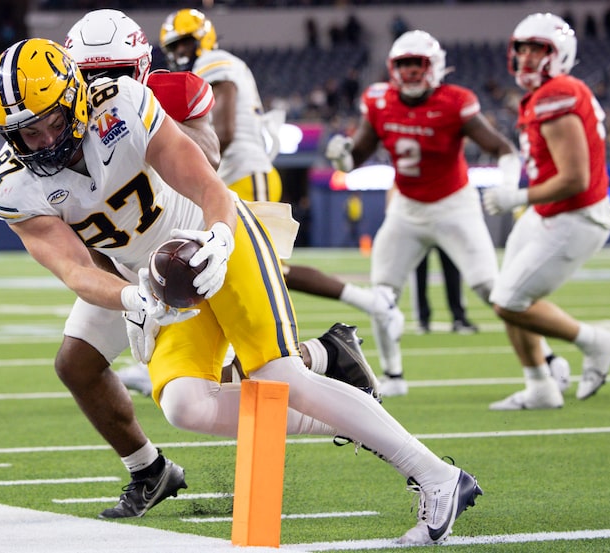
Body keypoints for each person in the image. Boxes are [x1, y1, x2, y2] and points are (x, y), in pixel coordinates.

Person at [0, 37, 482, 545]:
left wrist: (221, 238)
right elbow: (73, 270)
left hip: (213, 237)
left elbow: (206, 184)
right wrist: (131, 298)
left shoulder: (123, 105)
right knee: (184, 404)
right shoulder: (9, 184)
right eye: (27, 133)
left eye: (52, 121)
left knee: (279, 373)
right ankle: (353, 411)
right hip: (158, 280)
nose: (45, 141)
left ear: (76, 98)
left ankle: (438, 477)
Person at [64, 9, 382, 400]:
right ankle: (317, 353)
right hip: (184, 209)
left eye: (186, 43)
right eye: (174, 46)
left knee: (259, 289)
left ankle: (333, 342)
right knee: (204, 317)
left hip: (233, 181)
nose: (105, 86)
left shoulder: (202, 72)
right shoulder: (67, 124)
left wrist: (150, 123)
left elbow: (217, 145)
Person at [325, 30, 570, 397]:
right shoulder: (378, 100)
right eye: (403, 64)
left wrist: (506, 186)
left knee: (494, 290)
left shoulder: (456, 102)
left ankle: (548, 359)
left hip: (454, 206)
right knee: (381, 294)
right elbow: (357, 155)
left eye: (416, 64)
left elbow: (502, 148)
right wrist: (342, 157)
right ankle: (392, 376)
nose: (409, 72)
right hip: (407, 208)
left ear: (434, 67)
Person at [158, 8, 404, 353]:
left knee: (263, 270)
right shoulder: (207, 66)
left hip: (242, 172)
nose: (181, 53)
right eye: (176, 47)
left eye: (186, 43)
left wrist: (191, 174)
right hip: (231, 178)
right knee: (218, 269)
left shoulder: (214, 61)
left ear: (204, 39)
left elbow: (224, 132)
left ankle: (370, 307)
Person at [481, 13, 610, 409]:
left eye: (537, 49)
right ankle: (541, 387)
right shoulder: (548, 92)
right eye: (522, 48)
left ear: (558, 53)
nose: (526, 57)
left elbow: (575, 178)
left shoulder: (556, 94)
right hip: (549, 213)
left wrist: (518, 196)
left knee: (509, 302)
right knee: (506, 295)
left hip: (576, 216)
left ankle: (597, 342)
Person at [412, 246, 478, 334]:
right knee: (420, 270)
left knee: (452, 268)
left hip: (445, 232)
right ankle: (422, 319)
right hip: (421, 232)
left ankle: (458, 318)